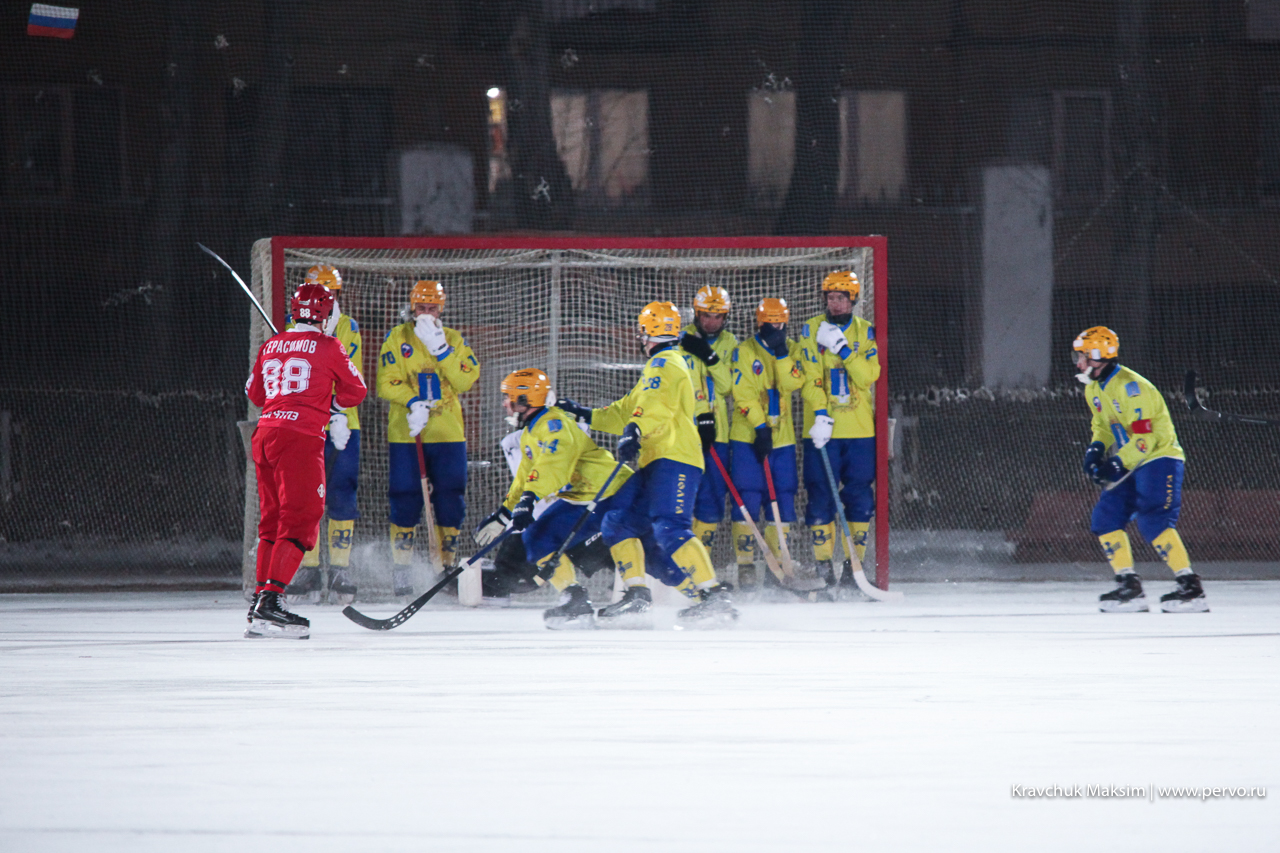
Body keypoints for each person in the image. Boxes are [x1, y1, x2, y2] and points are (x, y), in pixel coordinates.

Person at [558, 302, 738, 627]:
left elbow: (654, 408)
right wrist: (584, 413)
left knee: (670, 527)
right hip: (656, 461)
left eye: (642, 331)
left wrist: (635, 431)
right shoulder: (658, 367)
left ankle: (714, 597)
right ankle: (638, 595)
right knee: (619, 522)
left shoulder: (665, 364)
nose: (639, 337)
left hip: (675, 458)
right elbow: (626, 410)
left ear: (648, 332)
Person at [474, 369, 695, 627]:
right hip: (585, 495)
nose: (505, 404)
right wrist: (503, 514)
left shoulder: (554, 425)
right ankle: (577, 600)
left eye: (509, 398)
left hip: (611, 490)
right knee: (540, 538)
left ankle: (693, 594)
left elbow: (553, 466)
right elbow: (524, 479)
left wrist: (530, 499)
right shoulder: (531, 433)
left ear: (525, 401)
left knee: (542, 536)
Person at [244, 282, 368, 638]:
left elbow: (255, 393)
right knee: (301, 520)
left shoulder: (272, 344)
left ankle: (260, 601)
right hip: (299, 440)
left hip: (265, 434)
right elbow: (355, 390)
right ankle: (271, 601)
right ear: (326, 315)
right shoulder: (329, 346)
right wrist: (329, 401)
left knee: (271, 521)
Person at [1074, 326, 1208, 613]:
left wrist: (1115, 464)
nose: (1079, 363)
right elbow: (1102, 426)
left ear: (1100, 357)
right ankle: (1129, 586)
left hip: (1158, 457)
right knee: (1106, 517)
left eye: (1084, 356)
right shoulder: (1093, 388)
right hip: (1131, 458)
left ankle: (1190, 588)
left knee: (1154, 518)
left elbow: (1146, 440)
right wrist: (1095, 450)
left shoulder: (1132, 388)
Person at [376, 280, 480, 595]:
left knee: (450, 497)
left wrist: (441, 350)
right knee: (405, 495)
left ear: (441, 308)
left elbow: (465, 380)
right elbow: (386, 382)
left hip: (447, 434)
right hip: (407, 434)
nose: (426, 313)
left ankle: (445, 566)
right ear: (412, 307)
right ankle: (402, 568)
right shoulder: (397, 338)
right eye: (421, 307)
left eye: (432, 308)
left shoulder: (454, 340)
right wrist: (412, 402)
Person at [727, 298, 824, 594]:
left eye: (779, 323)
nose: (774, 328)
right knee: (749, 496)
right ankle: (746, 565)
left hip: (781, 438)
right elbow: (741, 394)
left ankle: (778, 565)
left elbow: (794, 384)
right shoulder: (744, 351)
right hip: (748, 437)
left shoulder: (792, 350)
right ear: (760, 322)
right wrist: (759, 427)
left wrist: (781, 351)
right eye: (769, 323)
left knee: (782, 496)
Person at [285, 264, 364, 606]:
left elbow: (346, 375)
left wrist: (337, 412)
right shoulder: (292, 331)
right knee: (306, 497)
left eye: (329, 295)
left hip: (345, 424)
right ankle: (309, 567)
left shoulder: (348, 327)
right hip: (308, 424)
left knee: (342, 494)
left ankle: (340, 569)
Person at [797, 270, 880, 590]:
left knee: (859, 497)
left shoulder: (865, 331)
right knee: (820, 496)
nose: (835, 303)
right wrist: (820, 414)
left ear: (853, 299)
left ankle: (852, 569)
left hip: (859, 431)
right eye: (830, 297)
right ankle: (823, 570)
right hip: (822, 431)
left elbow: (867, 376)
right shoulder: (811, 329)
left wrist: (844, 350)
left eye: (841, 297)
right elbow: (810, 377)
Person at [680, 285, 738, 554]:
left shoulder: (731, 343)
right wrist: (700, 414)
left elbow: (727, 386)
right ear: (696, 313)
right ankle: (676, 560)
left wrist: (710, 356)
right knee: (681, 498)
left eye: (718, 317)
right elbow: (681, 386)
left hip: (719, 434)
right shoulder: (681, 341)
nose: (711, 322)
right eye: (706, 315)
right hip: (685, 432)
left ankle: (701, 563)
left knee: (713, 498)